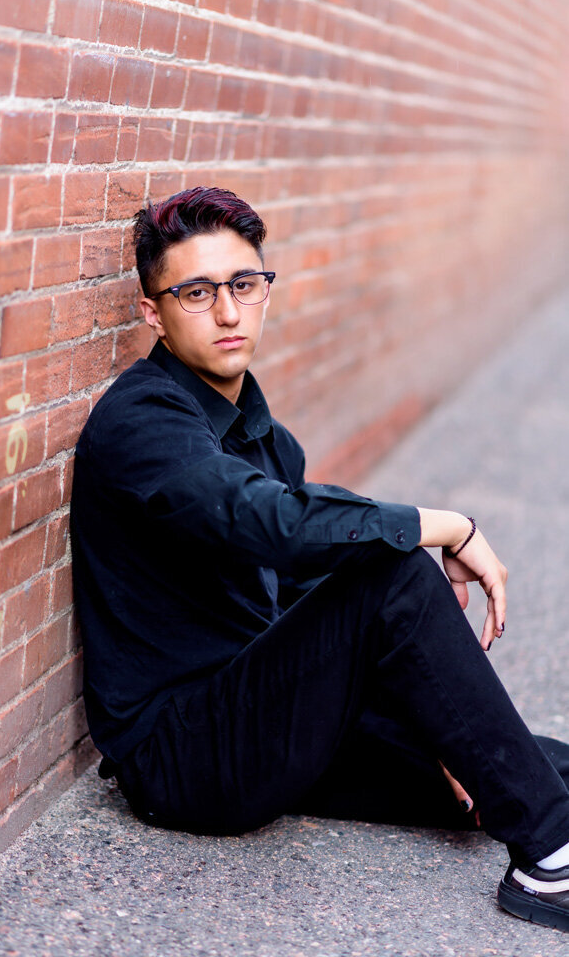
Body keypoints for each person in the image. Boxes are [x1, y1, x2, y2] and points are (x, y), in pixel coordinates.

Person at [70, 186, 569, 931]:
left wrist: (430, 726)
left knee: (528, 765)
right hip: (185, 757)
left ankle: (540, 816)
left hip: (266, 715)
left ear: (265, 289)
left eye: (243, 285)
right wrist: (445, 527)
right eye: (197, 293)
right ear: (154, 312)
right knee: (394, 568)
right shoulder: (140, 422)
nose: (230, 313)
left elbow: (309, 575)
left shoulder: (264, 437)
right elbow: (268, 522)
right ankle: (549, 868)